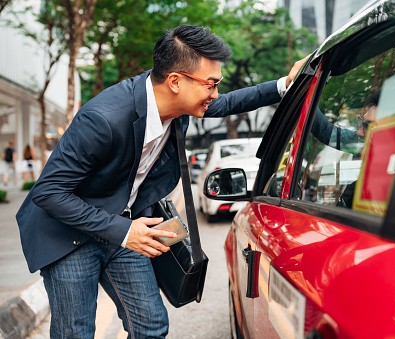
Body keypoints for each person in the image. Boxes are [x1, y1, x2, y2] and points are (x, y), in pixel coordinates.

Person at [16, 25, 304, 338]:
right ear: (176, 81)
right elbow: (49, 192)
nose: (215, 94)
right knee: (76, 333)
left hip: (123, 226)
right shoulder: (103, 119)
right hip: (69, 233)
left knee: (151, 326)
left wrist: (283, 85)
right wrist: (125, 231)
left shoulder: (178, 104)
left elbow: (226, 104)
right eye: (210, 85)